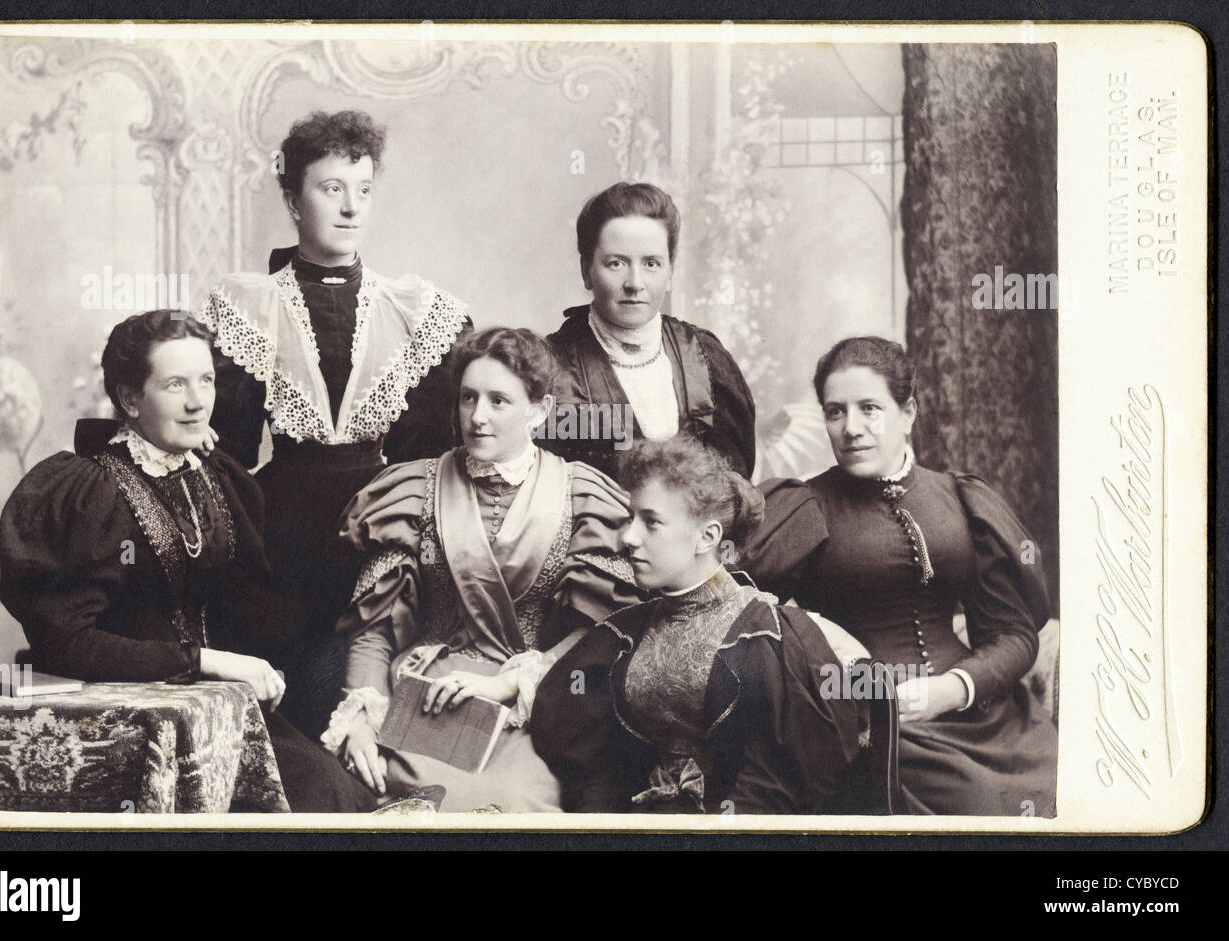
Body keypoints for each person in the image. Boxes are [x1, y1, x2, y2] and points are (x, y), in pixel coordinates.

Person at [0, 310, 378, 812]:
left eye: (206, 380)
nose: (198, 402)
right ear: (130, 398)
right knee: (310, 794)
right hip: (132, 721)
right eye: (175, 384)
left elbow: (251, 606)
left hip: (215, 708)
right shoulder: (92, 491)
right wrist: (206, 662)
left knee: (330, 787)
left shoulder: (213, 474)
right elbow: (65, 643)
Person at [197, 110, 472, 736]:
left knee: (354, 681)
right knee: (280, 692)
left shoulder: (413, 310)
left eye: (364, 190)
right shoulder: (250, 304)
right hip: (280, 523)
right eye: (331, 189)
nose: (351, 208)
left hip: (377, 519)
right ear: (294, 200)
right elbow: (228, 449)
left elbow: (427, 452)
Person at [325, 327, 642, 812]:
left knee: (517, 806)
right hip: (425, 701)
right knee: (400, 800)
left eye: (499, 401)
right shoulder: (415, 490)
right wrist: (362, 719)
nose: (477, 417)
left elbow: (595, 636)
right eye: (468, 398)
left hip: (528, 706)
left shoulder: (582, 498)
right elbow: (373, 633)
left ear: (539, 411)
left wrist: (513, 681)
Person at [741, 336, 1058, 816]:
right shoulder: (803, 508)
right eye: (835, 411)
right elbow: (736, 610)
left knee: (1051, 791)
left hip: (984, 718)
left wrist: (955, 687)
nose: (851, 428)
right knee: (971, 807)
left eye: (870, 408)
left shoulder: (962, 499)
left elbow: (1013, 634)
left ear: (908, 413)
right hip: (871, 729)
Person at [530, 435, 863, 814]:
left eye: (651, 522)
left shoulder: (768, 634)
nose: (628, 537)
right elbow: (595, 763)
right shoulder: (624, 633)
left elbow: (781, 786)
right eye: (630, 517)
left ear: (707, 537)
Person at [542, 182, 756, 480]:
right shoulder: (550, 369)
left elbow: (737, 478)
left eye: (651, 263)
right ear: (586, 270)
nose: (635, 283)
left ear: (670, 272)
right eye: (616, 263)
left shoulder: (705, 358)